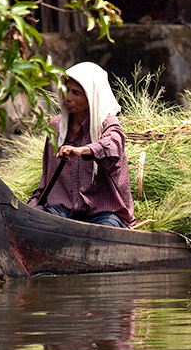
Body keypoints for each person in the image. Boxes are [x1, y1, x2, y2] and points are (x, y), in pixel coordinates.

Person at [29, 61, 136, 228]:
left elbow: (111, 146)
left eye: (76, 93)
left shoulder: (108, 125)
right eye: (66, 91)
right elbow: (47, 177)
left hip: (102, 214)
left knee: (106, 230)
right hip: (63, 210)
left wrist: (80, 151)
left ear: (91, 98)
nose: (68, 98)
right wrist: (31, 209)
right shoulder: (57, 127)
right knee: (40, 221)